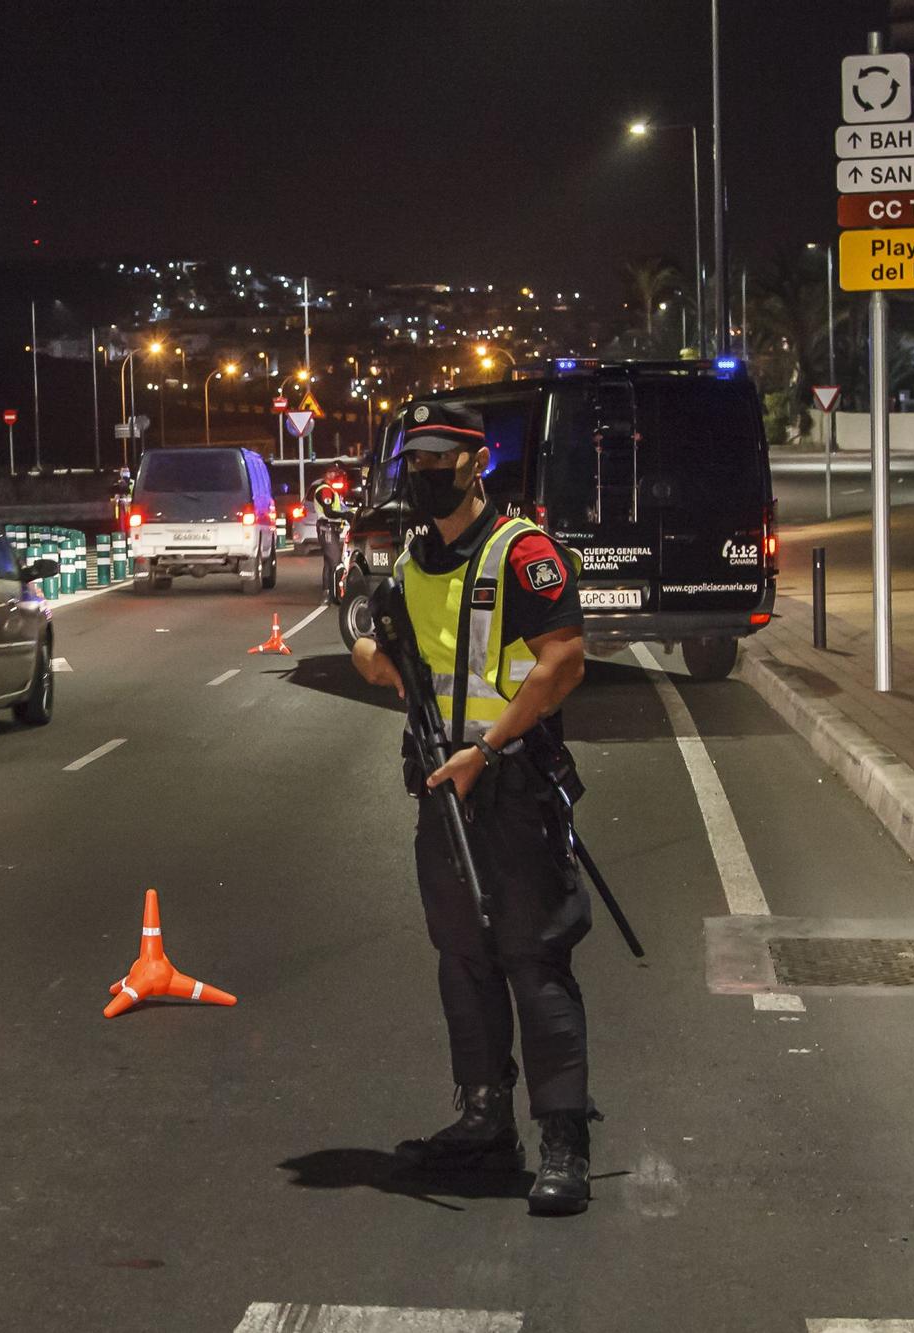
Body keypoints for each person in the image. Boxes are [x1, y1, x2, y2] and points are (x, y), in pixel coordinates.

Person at [350, 400, 598, 1216]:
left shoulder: (522, 553)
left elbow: (563, 662)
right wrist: (371, 656)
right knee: (463, 955)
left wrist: (486, 751)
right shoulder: (415, 563)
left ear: (477, 461)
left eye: (439, 459)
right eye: (413, 459)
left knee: (534, 956)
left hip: (513, 785)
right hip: (441, 785)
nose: (423, 474)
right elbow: (394, 651)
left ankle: (564, 1139)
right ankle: (486, 1118)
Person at [312, 467, 352, 604]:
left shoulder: (332, 491)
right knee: (336, 562)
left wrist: (349, 512)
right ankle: (338, 595)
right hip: (327, 528)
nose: (338, 478)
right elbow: (329, 511)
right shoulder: (325, 490)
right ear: (328, 474)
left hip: (331, 529)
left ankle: (327, 594)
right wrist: (344, 515)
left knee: (329, 563)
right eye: (336, 474)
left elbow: (339, 508)